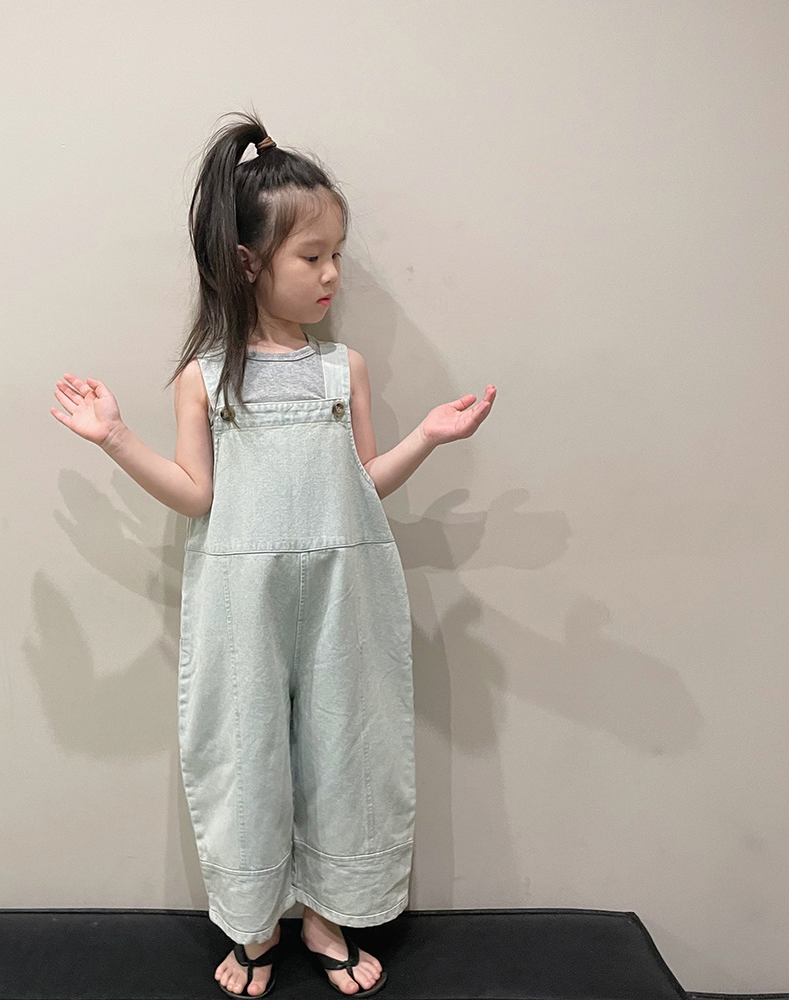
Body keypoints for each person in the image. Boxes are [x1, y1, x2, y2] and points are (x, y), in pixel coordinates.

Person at [51, 112, 496, 998]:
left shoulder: (344, 370)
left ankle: (328, 913)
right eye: (312, 256)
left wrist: (428, 437)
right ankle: (254, 922)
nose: (332, 274)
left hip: (345, 590)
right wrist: (115, 439)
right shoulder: (205, 377)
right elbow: (197, 495)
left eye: (338, 255)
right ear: (248, 263)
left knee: (348, 745)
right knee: (244, 749)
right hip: (240, 598)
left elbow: (363, 482)